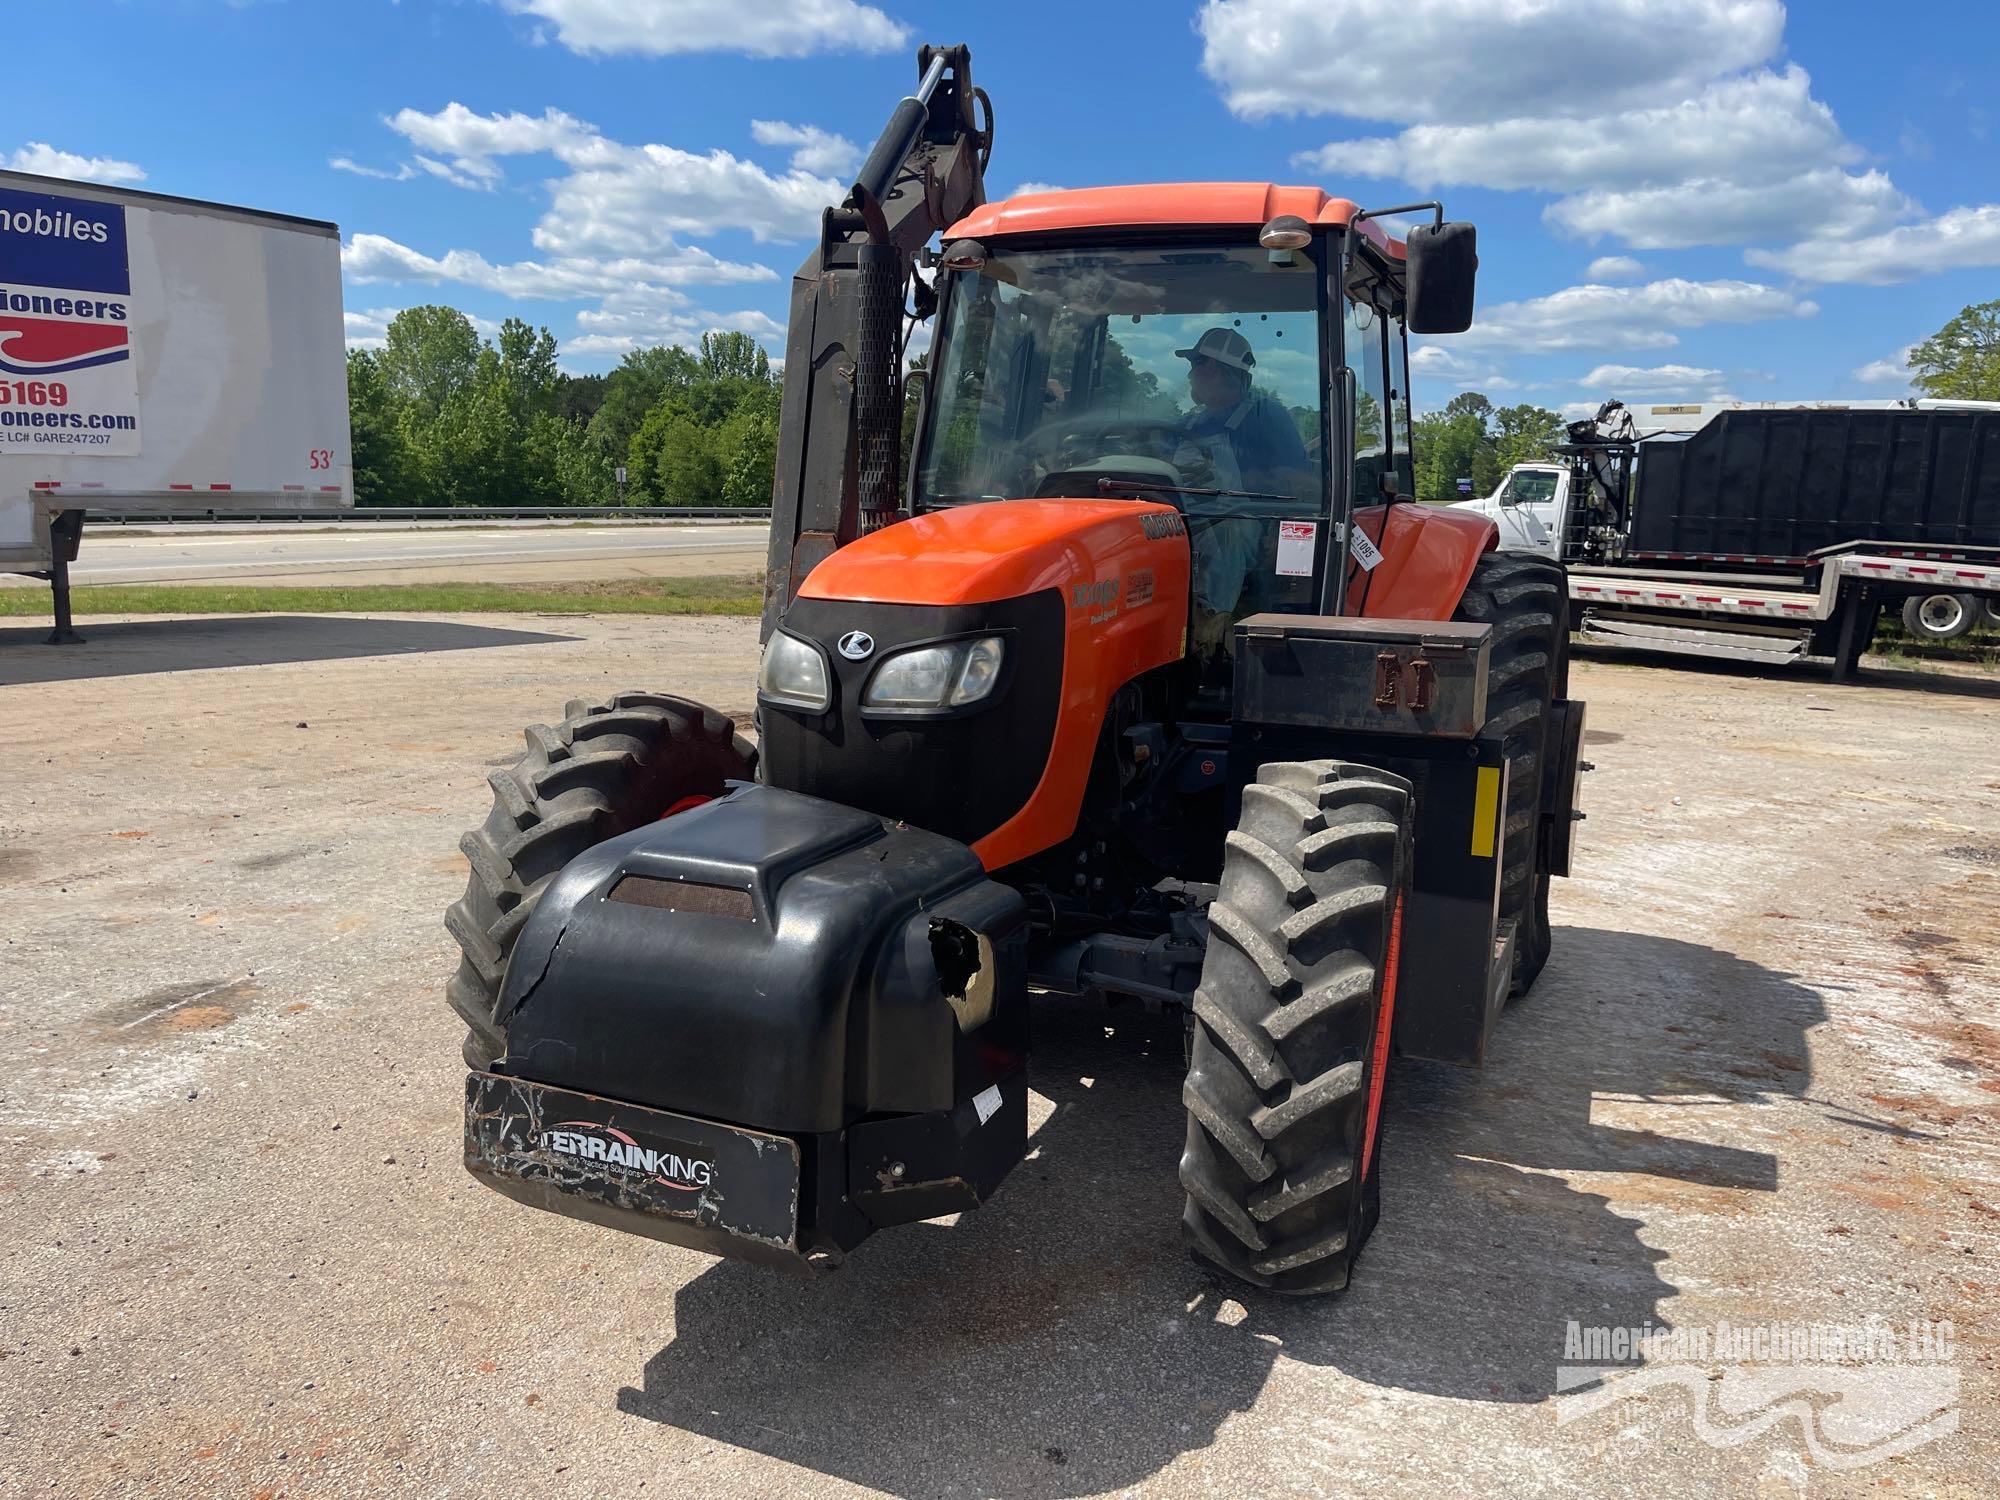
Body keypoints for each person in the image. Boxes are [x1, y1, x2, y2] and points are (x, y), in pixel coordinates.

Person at [1173, 327, 1312, 674]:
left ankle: (1221, 643)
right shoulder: (1191, 421)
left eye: (1196, 363)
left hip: (1251, 529)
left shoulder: (1266, 417)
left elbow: (1300, 486)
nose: (1190, 373)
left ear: (1218, 368)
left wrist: (1234, 483)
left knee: (1227, 544)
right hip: (1190, 523)